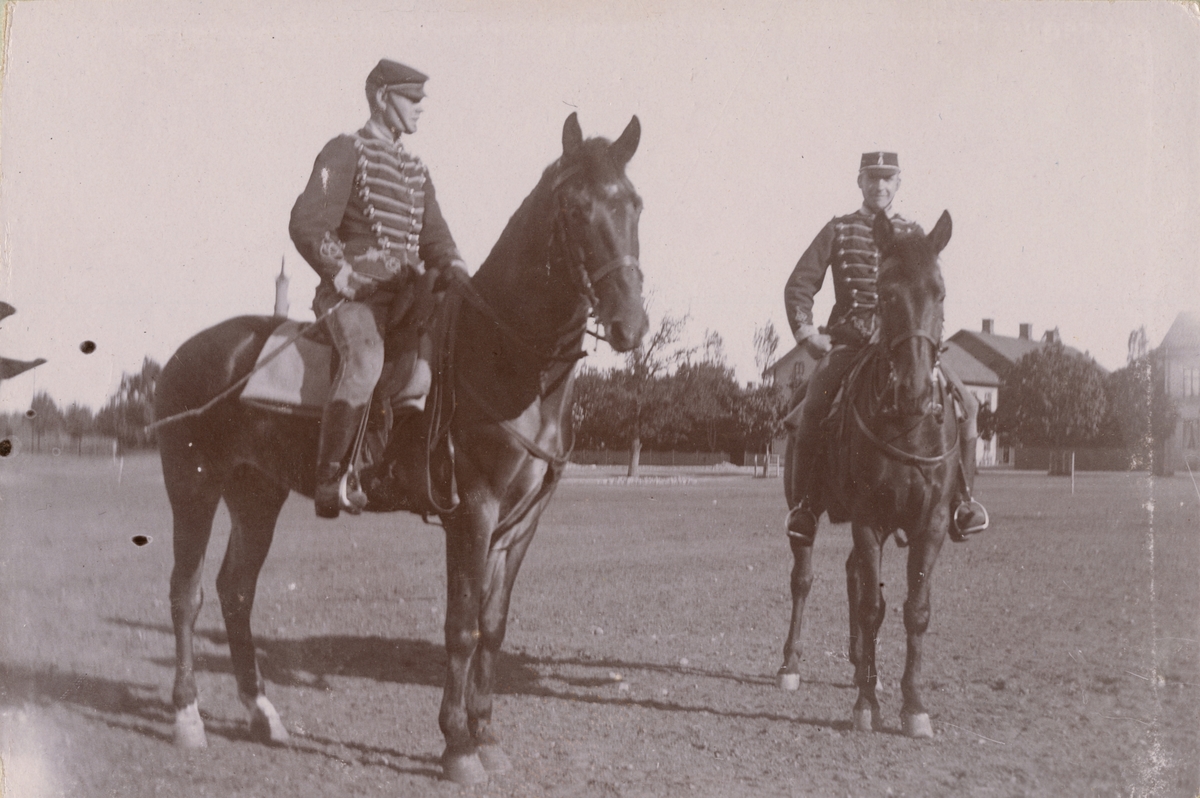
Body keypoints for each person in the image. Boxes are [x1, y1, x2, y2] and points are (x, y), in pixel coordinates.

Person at [289, 59, 468, 519]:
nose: (420, 108)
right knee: (367, 360)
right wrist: (341, 273)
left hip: (408, 298)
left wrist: (455, 268)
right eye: (412, 99)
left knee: (443, 363)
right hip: (355, 294)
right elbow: (308, 222)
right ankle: (330, 477)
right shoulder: (344, 150)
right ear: (382, 97)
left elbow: (436, 239)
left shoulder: (416, 171)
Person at [782, 152, 988, 544]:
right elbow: (800, 283)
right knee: (814, 404)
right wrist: (808, 334)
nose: (879, 186)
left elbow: (928, 291)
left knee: (968, 405)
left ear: (897, 184)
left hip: (905, 343)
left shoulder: (915, 232)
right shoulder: (839, 229)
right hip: (853, 339)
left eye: (887, 179)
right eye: (872, 178)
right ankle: (805, 506)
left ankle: (963, 503)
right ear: (860, 182)